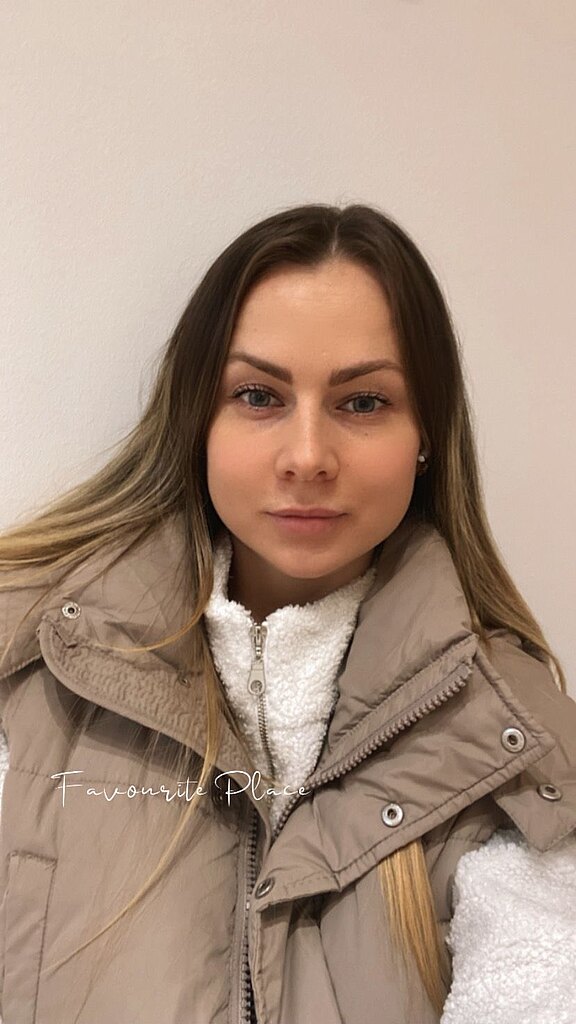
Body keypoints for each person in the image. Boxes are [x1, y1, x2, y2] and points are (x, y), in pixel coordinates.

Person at [0, 203, 575, 1024]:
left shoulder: (514, 737)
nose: (307, 457)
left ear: (425, 434)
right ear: (198, 420)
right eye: (258, 395)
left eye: (363, 402)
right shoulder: (30, 667)